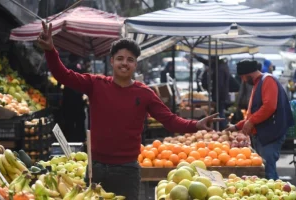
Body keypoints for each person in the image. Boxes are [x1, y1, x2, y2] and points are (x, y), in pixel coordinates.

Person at [37, 22, 223, 199]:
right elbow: (63, 75)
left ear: (135, 64)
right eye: (120, 58)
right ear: (112, 61)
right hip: (97, 168)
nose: (124, 63)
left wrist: (196, 124)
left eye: (130, 60)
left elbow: (170, 120)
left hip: (127, 170)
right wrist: (50, 51)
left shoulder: (145, 94)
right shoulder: (96, 84)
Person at [226, 60, 294, 180]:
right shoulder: (259, 84)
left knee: (268, 171)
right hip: (263, 135)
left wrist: (251, 122)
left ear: (249, 74)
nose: (243, 81)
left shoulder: (268, 80)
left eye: (243, 78)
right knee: (264, 169)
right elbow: (252, 114)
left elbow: (269, 107)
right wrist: (237, 126)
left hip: (270, 135)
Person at [194, 55, 230, 130]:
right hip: (220, 95)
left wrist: (216, 97)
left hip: (220, 95)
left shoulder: (219, 69)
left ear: (214, 60)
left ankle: (225, 128)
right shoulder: (220, 66)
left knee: (219, 112)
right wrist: (197, 57)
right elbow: (206, 62)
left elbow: (219, 84)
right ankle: (222, 127)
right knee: (219, 112)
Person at [61, 54, 87, 142]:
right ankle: (81, 138)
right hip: (78, 97)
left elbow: (61, 80)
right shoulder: (80, 67)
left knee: (69, 121)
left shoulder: (68, 67)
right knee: (80, 120)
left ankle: (70, 139)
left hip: (69, 98)